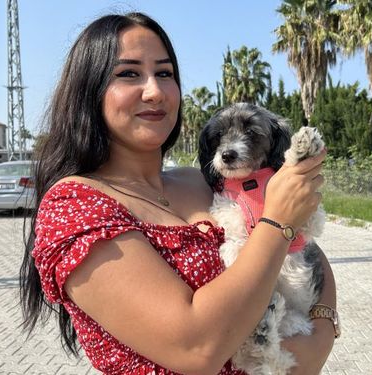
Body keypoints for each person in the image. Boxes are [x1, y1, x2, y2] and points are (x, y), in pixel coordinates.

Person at [20, 12, 337, 375]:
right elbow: (197, 349)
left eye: (165, 73)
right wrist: (278, 219)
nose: (154, 91)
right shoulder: (77, 206)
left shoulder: (201, 180)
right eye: (129, 73)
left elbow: (303, 247)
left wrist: (323, 324)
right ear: (89, 91)